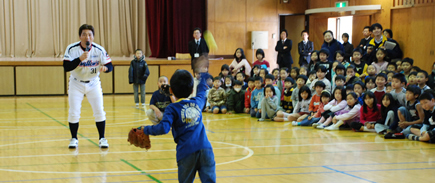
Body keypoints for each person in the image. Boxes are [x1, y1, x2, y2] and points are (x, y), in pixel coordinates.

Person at [141, 63, 216, 182]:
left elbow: (164, 128)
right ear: (192, 90)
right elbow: (202, 89)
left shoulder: (172, 108)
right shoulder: (197, 102)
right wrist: (204, 73)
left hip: (186, 153)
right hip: (206, 151)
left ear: (171, 90)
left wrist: (145, 129)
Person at [63, 24, 113, 148]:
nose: (87, 37)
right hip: (76, 83)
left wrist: (105, 68)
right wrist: (79, 59)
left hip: (93, 83)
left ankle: (102, 138)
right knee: (74, 112)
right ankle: (74, 138)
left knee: (99, 111)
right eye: (84, 34)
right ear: (80, 36)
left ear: (93, 37)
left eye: (90, 34)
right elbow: (66, 67)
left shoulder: (99, 49)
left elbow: (110, 65)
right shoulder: (72, 49)